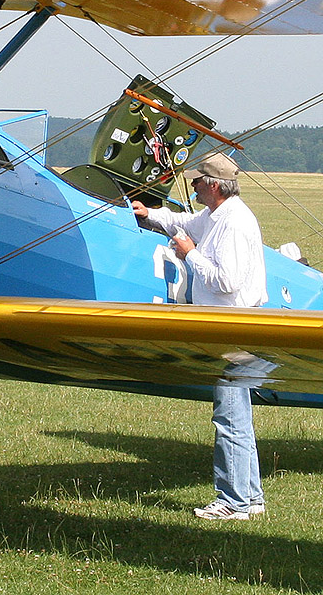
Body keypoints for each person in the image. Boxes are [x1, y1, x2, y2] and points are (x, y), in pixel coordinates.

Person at [131, 153, 269, 520]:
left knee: (229, 417)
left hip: (234, 328)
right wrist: (149, 214)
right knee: (237, 414)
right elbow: (183, 221)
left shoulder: (235, 223)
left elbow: (227, 282)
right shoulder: (214, 215)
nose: (192, 185)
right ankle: (250, 497)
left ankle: (233, 502)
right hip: (227, 326)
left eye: (197, 181)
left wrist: (190, 255)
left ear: (213, 185)